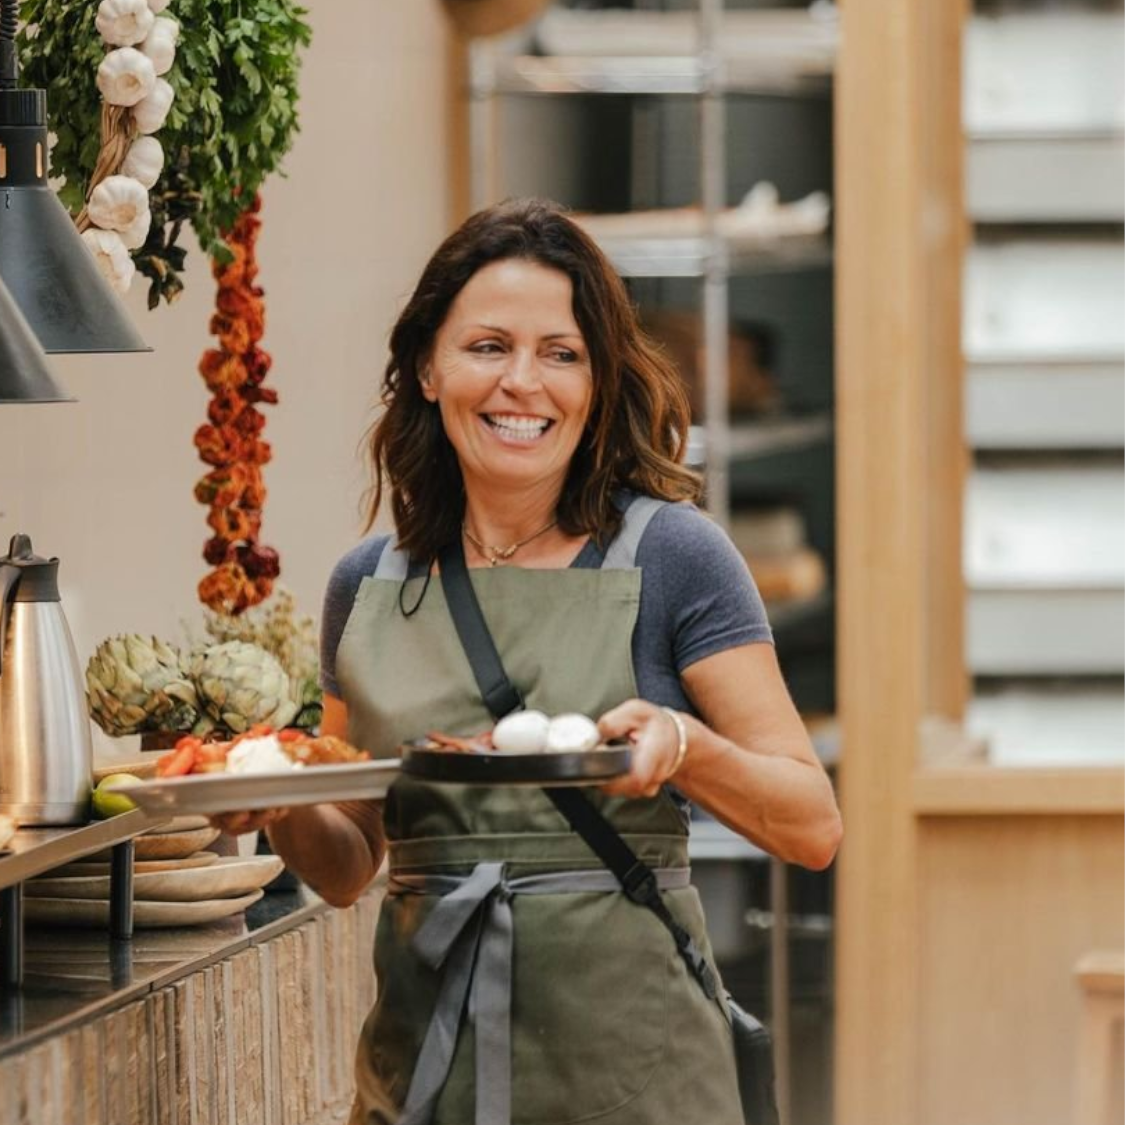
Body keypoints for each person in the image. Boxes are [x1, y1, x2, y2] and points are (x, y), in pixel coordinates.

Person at [213, 198, 842, 1125]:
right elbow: (349, 864)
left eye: (561, 353)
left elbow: (811, 824)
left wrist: (684, 746)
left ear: (598, 381)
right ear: (427, 367)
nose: (523, 383)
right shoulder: (368, 584)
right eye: (488, 346)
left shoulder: (674, 557)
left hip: (641, 1086)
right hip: (427, 1081)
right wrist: (278, 799)